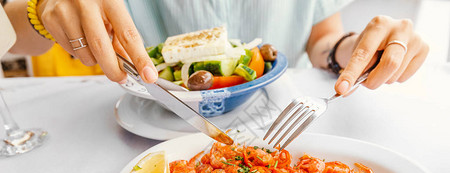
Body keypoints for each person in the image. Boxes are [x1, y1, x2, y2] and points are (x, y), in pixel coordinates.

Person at [5, 0, 428, 95]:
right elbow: (13, 41)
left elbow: (323, 41)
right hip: (144, 128)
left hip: (283, 125)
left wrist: (357, 51)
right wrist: (40, 9)